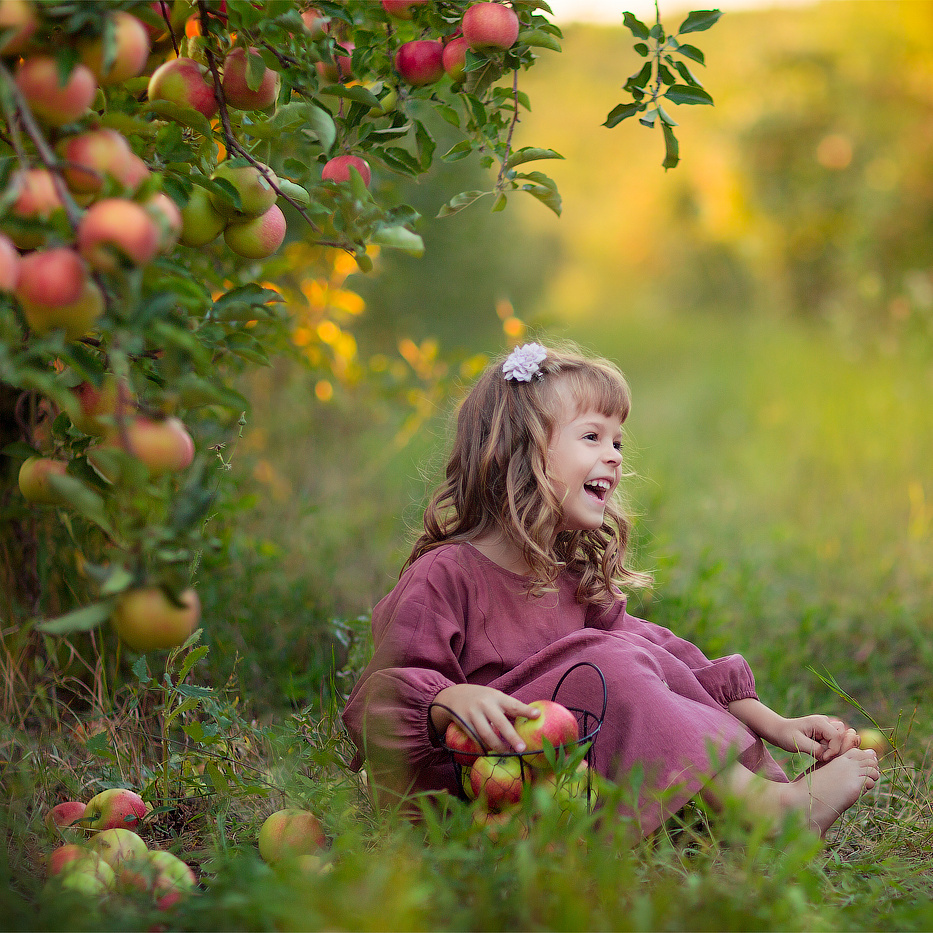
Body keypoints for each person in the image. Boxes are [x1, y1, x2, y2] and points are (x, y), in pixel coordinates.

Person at [341, 341, 880, 837]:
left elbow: (666, 660)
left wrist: (777, 724)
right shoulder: (446, 574)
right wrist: (446, 699)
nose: (616, 455)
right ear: (519, 450)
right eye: (593, 436)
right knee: (608, 666)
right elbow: (378, 700)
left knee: (628, 652)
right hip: (472, 794)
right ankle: (763, 812)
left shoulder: (566, 581)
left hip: (565, 791)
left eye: (618, 441)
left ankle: (747, 806)